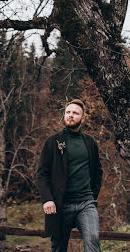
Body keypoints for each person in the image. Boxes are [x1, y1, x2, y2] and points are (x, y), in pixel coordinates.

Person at [37, 99, 103, 252]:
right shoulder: (52, 142)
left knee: (93, 240)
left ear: (83, 118)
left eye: (75, 113)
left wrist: (92, 196)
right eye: (68, 112)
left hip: (86, 203)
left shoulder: (90, 142)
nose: (71, 115)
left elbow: (98, 172)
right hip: (60, 205)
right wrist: (47, 199)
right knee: (58, 248)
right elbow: (42, 174)